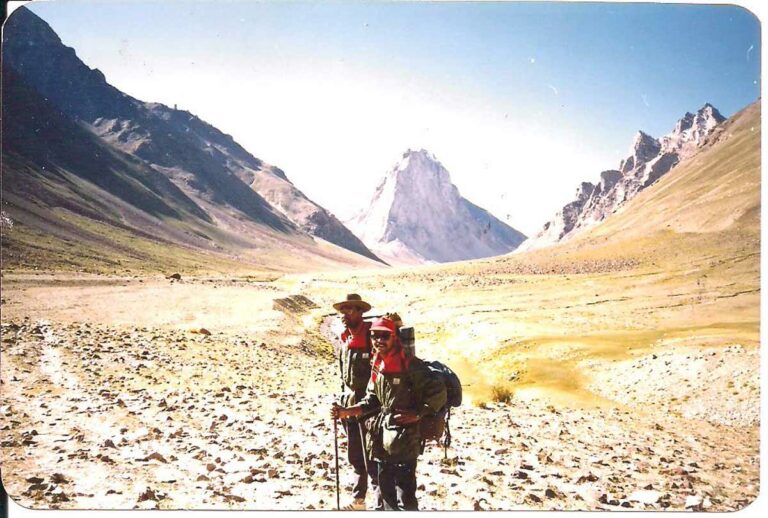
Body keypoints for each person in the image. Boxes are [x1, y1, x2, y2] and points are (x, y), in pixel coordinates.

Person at [332, 317, 447, 511]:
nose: (379, 341)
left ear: (394, 337)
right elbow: (372, 400)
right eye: (374, 336)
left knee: (404, 495)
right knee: (385, 492)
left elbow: (438, 393)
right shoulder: (378, 365)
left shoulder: (412, 366)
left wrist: (419, 414)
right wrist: (346, 412)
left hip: (405, 439)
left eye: (384, 336)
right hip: (379, 440)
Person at [333, 293, 378, 510]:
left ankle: (383, 503)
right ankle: (359, 501)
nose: (345, 314)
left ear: (361, 312)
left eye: (350, 309)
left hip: (369, 407)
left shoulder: (372, 336)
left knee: (372, 456)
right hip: (349, 405)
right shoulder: (345, 338)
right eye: (343, 310)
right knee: (355, 455)